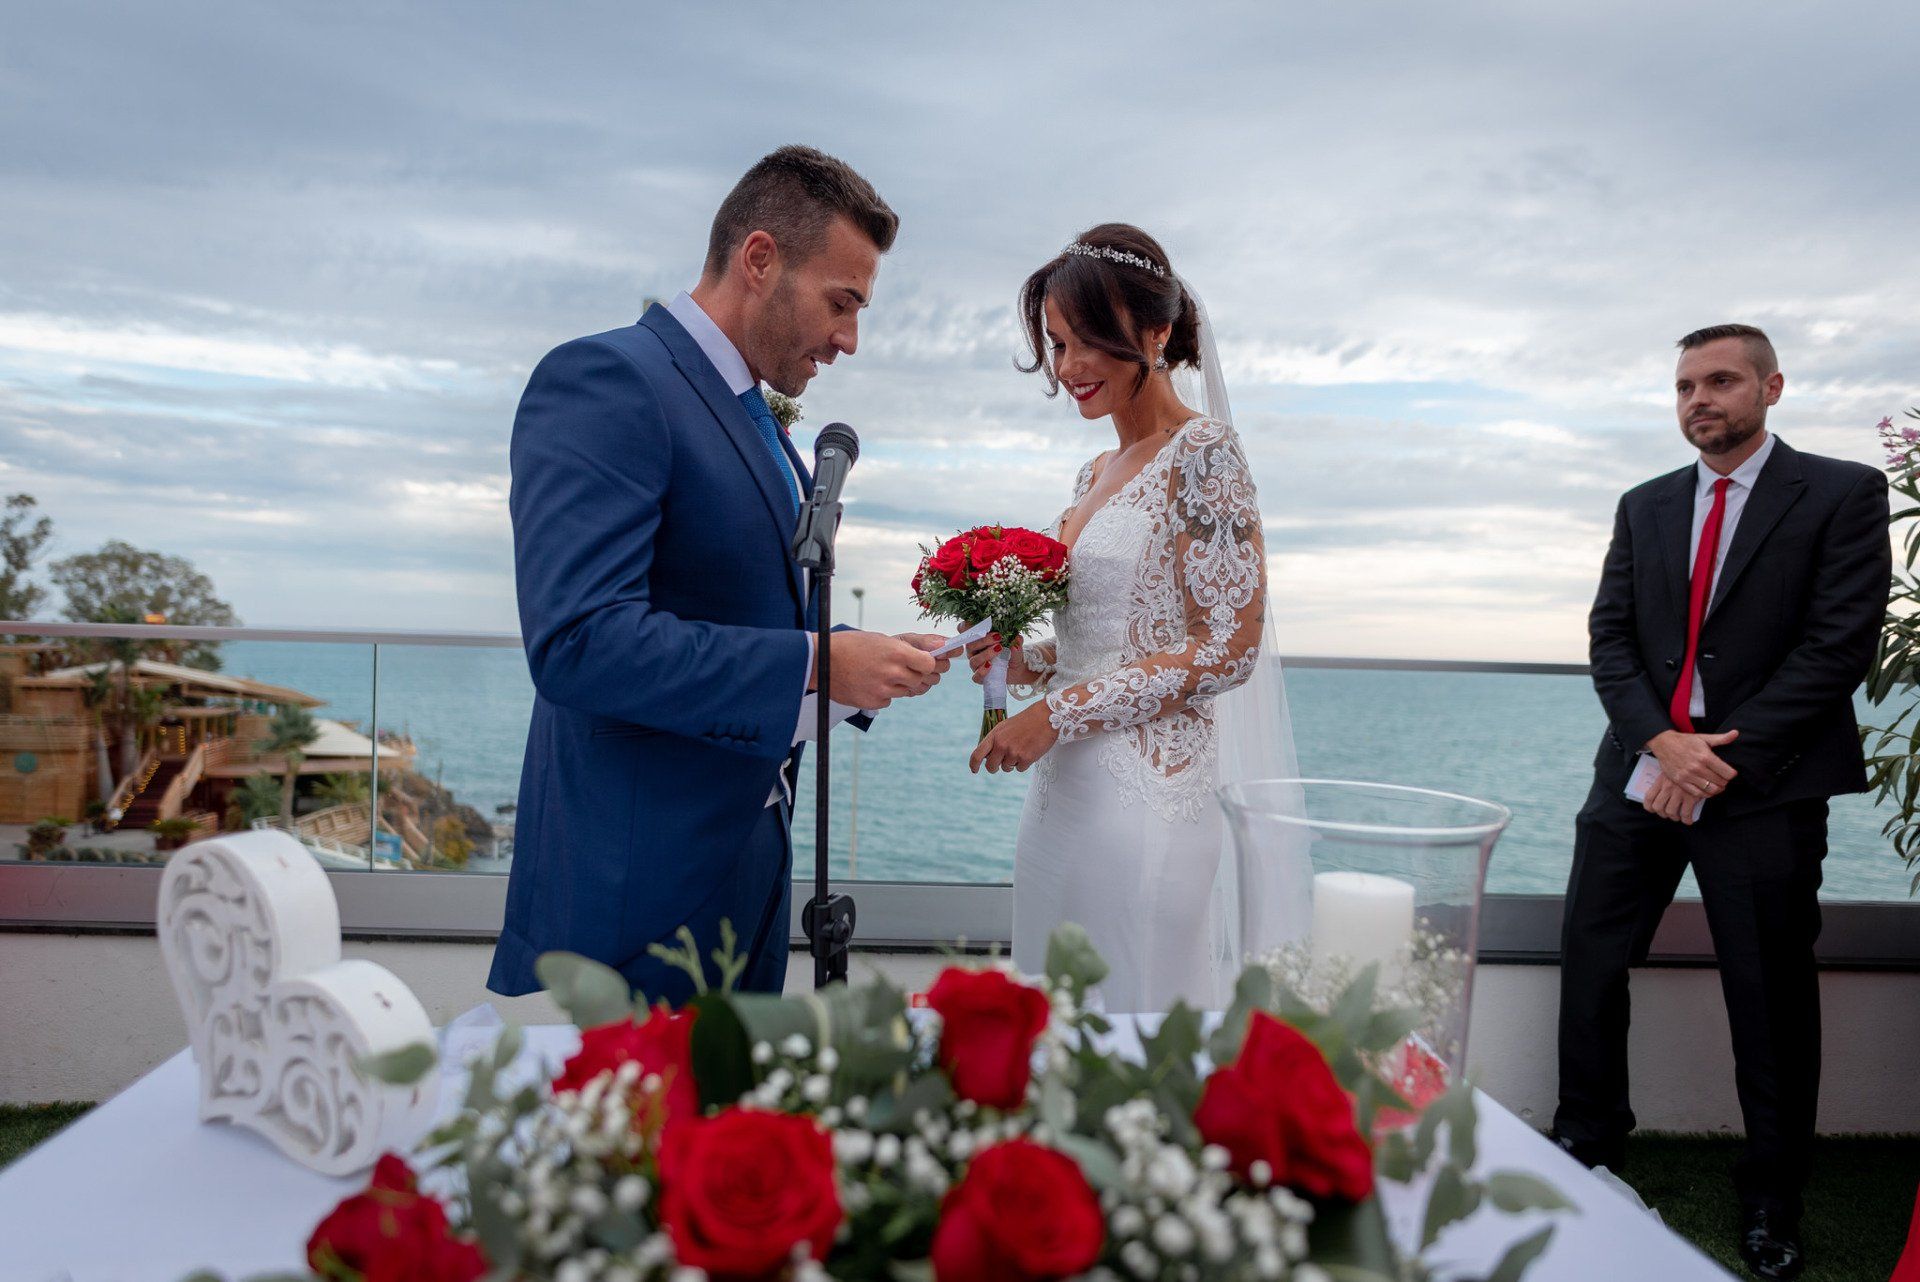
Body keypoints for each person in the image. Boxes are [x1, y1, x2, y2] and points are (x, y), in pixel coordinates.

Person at [489, 146, 949, 1006]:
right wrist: (818, 664)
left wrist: (865, 656)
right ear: (760, 259)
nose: (849, 340)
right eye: (841, 303)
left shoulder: (750, 413)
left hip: (745, 876)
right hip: (641, 902)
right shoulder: (608, 380)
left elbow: (739, 610)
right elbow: (579, 643)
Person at [1554, 324, 1890, 1281]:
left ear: (1770, 388)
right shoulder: (1645, 504)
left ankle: (1773, 1195)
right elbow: (1610, 637)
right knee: (1590, 957)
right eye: (1685, 386)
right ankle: (1586, 1144)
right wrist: (1661, 743)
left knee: (1769, 992)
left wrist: (1712, 760)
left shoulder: (1842, 492)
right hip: (1640, 770)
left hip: (1766, 783)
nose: (1700, 399)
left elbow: (1838, 645)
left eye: (1722, 381)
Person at [966, 224, 1302, 1013]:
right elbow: (1109, 641)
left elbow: (1227, 647)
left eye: (1089, 341)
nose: (1068, 367)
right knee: (1051, 1023)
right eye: (1058, 344)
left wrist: (1055, 714)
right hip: (1061, 797)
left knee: (1132, 1026)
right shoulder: (1092, 471)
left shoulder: (1204, 452)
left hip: (1142, 806)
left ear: (1156, 333)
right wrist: (1019, 662)